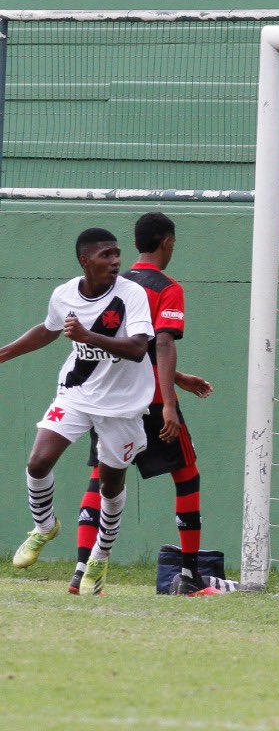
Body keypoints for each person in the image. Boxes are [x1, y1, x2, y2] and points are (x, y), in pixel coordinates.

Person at [68, 213, 217, 596]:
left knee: (100, 477)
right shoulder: (167, 288)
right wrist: (170, 401)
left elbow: (132, 344)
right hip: (150, 400)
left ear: (134, 245)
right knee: (187, 476)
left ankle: (82, 568)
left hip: (110, 399)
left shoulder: (112, 285)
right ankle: (188, 575)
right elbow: (163, 342)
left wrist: (180, 377)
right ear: (166, 242)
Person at [3, 228, 154, 588]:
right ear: (85, 261)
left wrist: (87, 336)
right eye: (106, 255)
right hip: (78, 392)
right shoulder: (64, 294)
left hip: (123, 404)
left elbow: (137, 348)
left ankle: (99, 558)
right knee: (38, 461)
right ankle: (44, 527)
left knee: (110, 484)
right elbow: (48, 330)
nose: (115, 260)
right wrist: (3, 353)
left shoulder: (131, 294)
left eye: (117, 253)